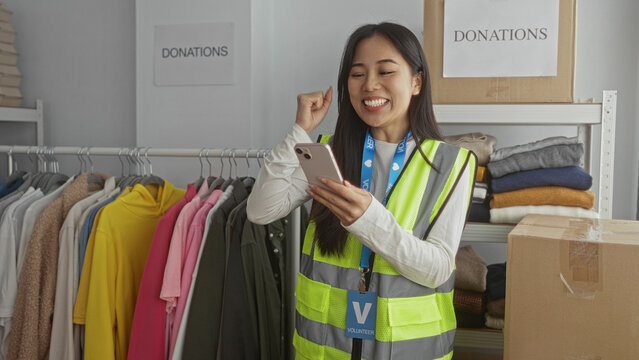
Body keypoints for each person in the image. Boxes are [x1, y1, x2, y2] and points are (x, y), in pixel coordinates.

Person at [247, 22, 476, 360]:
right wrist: (300, 131)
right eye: (357, 74)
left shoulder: (451, 163)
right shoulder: (330, 152)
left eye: (385, 71)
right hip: (325, 349)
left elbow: (438, 268)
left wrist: (369, 221)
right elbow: (261, 210)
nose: (370, 85)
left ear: (416, 82)